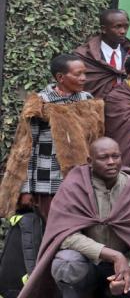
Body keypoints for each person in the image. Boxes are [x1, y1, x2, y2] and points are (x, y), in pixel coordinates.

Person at [21, 137, 130, 298]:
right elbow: (65, 235)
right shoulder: (74, 185)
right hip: (88, 262)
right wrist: (112, 255)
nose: (111, 162)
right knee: (66, 263)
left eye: (116, 156)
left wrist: (128, 274)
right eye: (103, 157)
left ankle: (115, 290)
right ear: (90, 161)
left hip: (126, 261)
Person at [0, 54, 104, 220]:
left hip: (81, 181)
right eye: (78, 74)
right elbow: (25, 148)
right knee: (51, 232)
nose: (83, 78)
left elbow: (95, 140)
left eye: (85, 73)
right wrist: (26, 189)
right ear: (60, 77)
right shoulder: (40, 102)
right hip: (47, 182)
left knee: (77, 230)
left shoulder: (87, 100)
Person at [73, 8, 130, 98]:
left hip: (127, 108)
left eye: (126, 26)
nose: (123, 31)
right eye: (118, 26)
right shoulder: (84, 55)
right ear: (103, 29)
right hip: (94, 108)